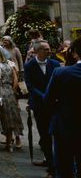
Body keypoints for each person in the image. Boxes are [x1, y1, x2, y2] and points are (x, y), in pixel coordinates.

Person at [44, 37, 81, 178]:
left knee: (64, 167)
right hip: (65, 123)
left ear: (75, 53)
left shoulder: (61, 73)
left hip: (65, 125)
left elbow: (48, 99)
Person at [24, 40, 59, 175]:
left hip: (54, 104)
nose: (48, 51)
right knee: (44, 133)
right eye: (45, 49)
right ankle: (51, 163)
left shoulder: (54, 64)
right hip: (39, 104)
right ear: (37, 51)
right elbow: (30, 85)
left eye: (49, 48)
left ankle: (55, 160)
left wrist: (51, 96)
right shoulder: (29, 65)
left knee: (55, 133)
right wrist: (43, 96)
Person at [0, 46, 23, 151]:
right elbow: (14, 79)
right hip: (9, 93)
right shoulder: (9, 65)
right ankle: (9, 144)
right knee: (9, 118)